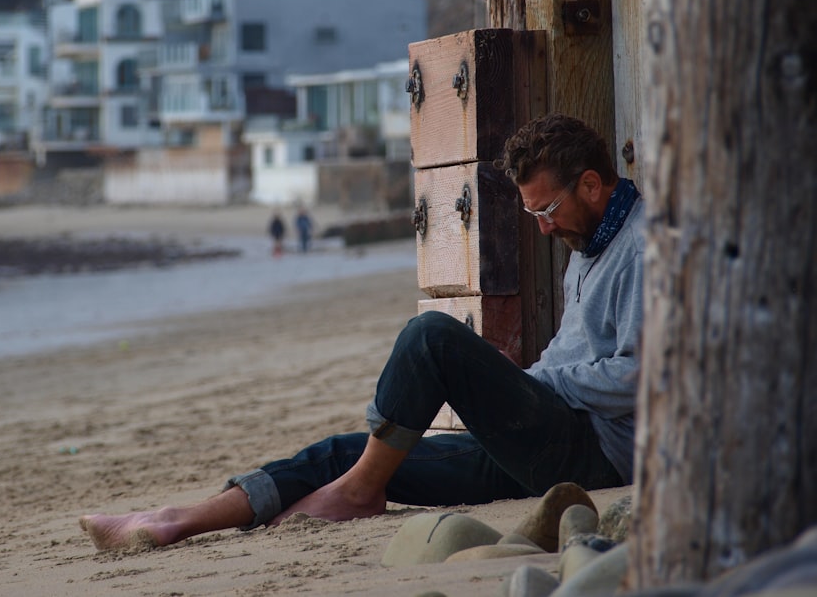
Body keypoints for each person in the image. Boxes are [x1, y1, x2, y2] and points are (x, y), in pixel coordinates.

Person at [79, 113, 644, 551]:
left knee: (431, 338)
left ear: (591, 184)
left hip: (592, 455)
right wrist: (534, 384)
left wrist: (539, 385)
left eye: (546, 209)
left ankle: (357, 492)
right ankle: (178, 521)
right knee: (346, 453)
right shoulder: (585, 243)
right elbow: (574, 354)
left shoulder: (642, 250)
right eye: (532, 215)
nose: (543, 227)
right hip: (543, 440)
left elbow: (641, 377)